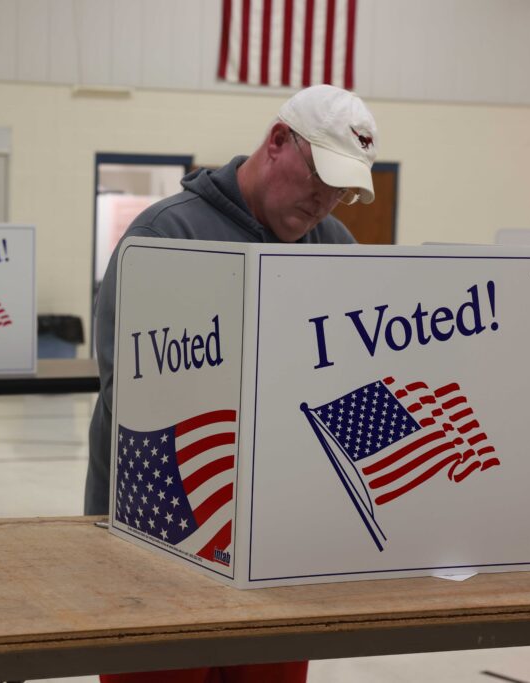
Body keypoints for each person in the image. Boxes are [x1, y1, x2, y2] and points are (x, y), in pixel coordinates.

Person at [87, 85, 378, 683]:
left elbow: (357, 382)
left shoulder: (337, 249)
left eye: (344, 188)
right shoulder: (168, 236)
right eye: (320, 175)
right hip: (160, 537)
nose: (327, 200)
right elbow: (133, 400)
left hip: (280, 547)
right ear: (276, 142)